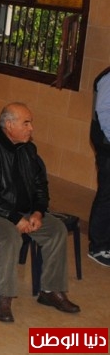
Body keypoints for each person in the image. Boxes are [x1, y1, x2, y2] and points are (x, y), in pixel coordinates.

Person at [0, 102, 80, 322]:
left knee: (56, 230)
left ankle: (50, 291)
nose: (31, 128)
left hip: (24, 211)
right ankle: (3, 298)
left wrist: (38, 212)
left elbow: (40, 185)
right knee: (10, 235)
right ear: (9, 125)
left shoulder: (29, 150)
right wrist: (15, 218)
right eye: (26, 123)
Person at [89, 68, 110, 267]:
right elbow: (103, 113)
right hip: (107, 147)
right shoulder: (109, 78)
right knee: (107, 195)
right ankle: (98, 246)